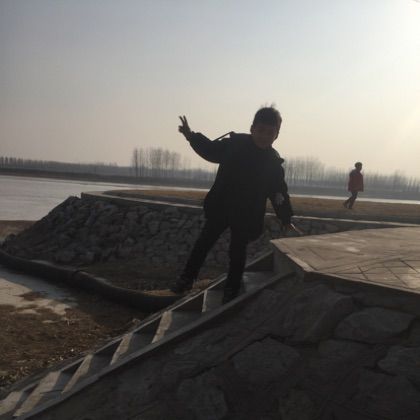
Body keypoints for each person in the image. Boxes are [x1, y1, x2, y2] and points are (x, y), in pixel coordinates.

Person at [170, 106, 300, 303]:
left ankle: (231, 289)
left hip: (247, 215)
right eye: (261, 130)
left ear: (277, 135)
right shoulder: (234, 145)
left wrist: (286, 218)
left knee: (237, 252)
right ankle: (186, 279)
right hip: (221, 206)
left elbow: (278, 192)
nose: (264, 136)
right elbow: (210, 150)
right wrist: (191, 136)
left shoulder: (272, 163)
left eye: (270, 132)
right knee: (203, 243)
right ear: (252, 129)